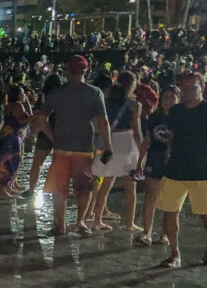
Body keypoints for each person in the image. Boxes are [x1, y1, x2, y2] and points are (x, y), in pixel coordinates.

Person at [33, 56, 112, 236]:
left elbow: (41, 117)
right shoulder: (95, 93)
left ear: (68, 71)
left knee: (59, 189)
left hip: (61, 147)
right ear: (85, 71)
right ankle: (80, 221)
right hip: (84, 147)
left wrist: (51, 136)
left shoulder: (57, 93)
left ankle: (60, 225)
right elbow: (103, 121)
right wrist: (108, 144)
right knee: (84, 188)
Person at [156, 72, 207, 268]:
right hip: (176, 169)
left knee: (205, 215)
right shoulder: (176, 111)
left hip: (202, 171)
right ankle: (174, 253)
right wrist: (167, 156)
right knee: (170, 211)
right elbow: (171, 136)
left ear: (202, 88)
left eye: (192, 87)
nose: (188, 91)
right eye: (184, 87)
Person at [91, 72, 142, 232]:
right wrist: (142, 152)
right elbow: (137, 131)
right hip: (127, 146)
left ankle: (97, 220)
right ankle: (130, 223)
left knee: (105, 182)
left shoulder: (105, 103)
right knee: (130, 187)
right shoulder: (135, 105)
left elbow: (98, 126)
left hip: (108, 145)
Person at [135, 85, 174, 246]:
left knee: (169, 199)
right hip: (155, 157)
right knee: (151, 196)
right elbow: (147, 140)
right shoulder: (154, 117)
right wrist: (140, 161)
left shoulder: (180, 118)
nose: (168, 101)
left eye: (172, 97)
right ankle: (147, 232)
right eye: (166, 97)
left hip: (173, 160)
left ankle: (165, 234)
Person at [24, 74, 63, 194]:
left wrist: (31, 134)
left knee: (37, 163)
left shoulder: (43, 97)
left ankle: (32, 189)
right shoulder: (64, 96)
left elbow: (37, 115)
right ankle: (56, 189)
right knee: (59, 164)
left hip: (44, 132)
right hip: (61, 132)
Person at [0, 85, 32, 198]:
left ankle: (8, 187)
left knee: (7, 162)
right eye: (22, 93)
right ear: (19, 95)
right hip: (12, 138)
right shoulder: (18, 106)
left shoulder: (8, 105)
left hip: (8, 137)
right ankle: (3, 189)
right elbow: (21, 120)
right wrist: (35, 118)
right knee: (10, 163)